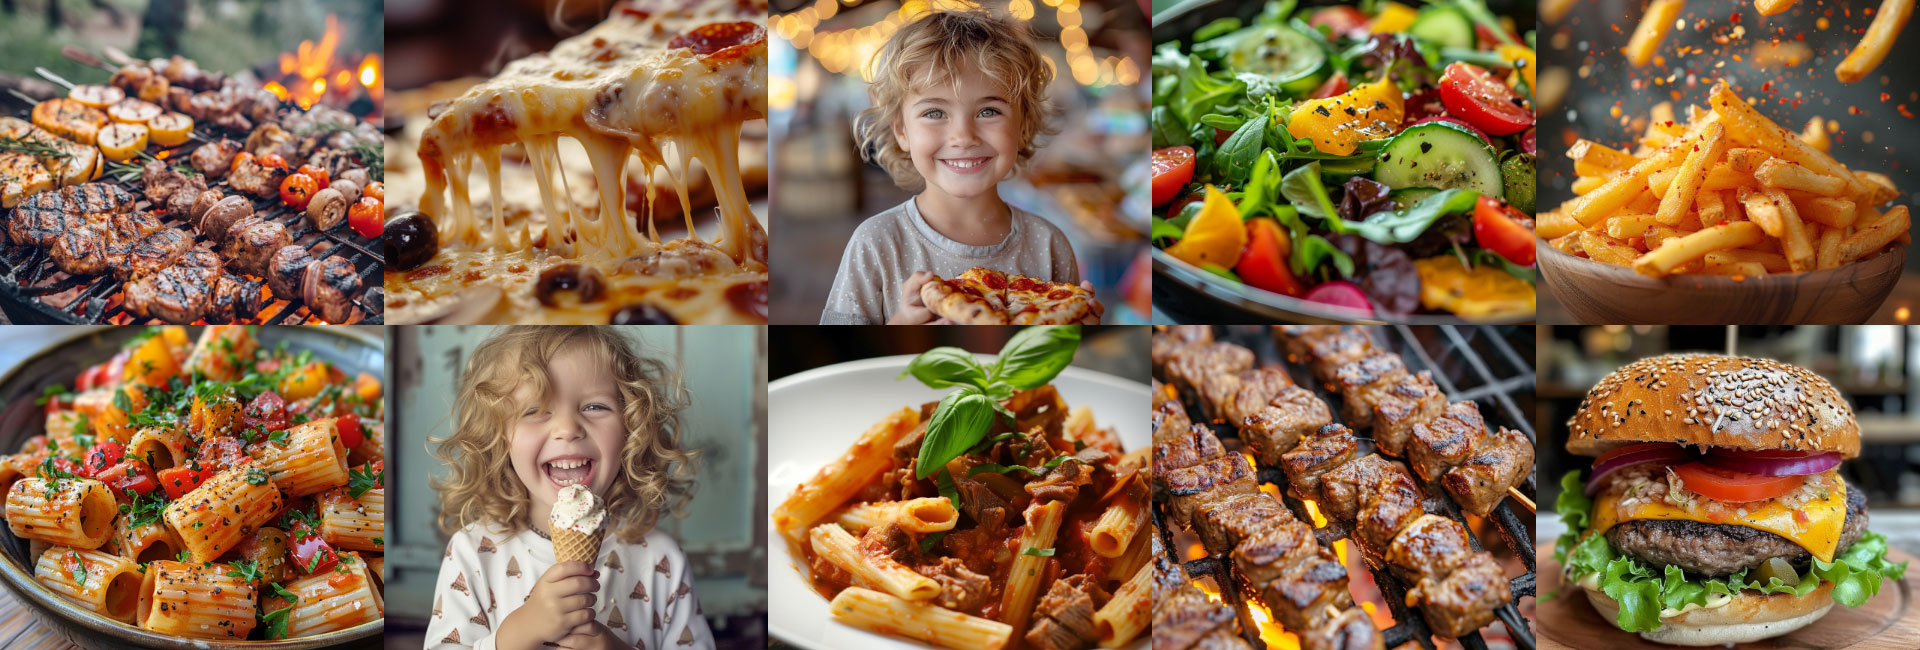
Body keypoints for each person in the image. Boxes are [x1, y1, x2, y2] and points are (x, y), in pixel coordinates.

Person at [424, 326, 711, 650]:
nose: (567, 428)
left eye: (595, 406)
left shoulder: (661, 558)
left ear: (632, 426)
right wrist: (516, 635)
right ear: (498, 436)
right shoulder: (472, 552)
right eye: (534, 410)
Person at [820, 9, 1099, 324]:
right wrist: (901, 325)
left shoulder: (1049, 244)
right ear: (901, 131)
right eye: (935, 113)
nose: (963, 137)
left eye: (988, 111)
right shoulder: (876, 243)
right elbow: (848, 362)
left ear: (1023, 126)